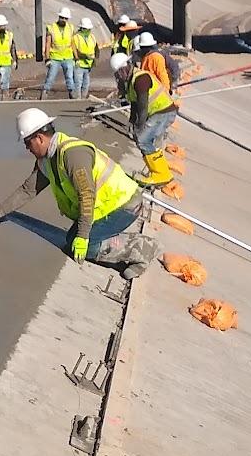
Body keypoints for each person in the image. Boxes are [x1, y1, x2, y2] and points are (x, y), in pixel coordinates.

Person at [15, 106, 157, 276]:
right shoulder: (47, 160)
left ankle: (141, 247)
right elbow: (28, 190)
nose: (26, 148)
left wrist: (83, 236)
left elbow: (86, 196)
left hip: (124, 205)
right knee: (72, 241)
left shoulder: (72, 155)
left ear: (39, 138)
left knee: (84, 246)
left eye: (27, 142)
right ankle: (109, 238)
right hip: (105, 207)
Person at [129, 43, 177, 188]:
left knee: (144, 140)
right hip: (160, 108)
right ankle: (159, 172)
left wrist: (139, 124)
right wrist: (133, 121)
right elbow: (135, 104)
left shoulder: (150, 64)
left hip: (162, 109)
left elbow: (142, 106)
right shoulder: (135, 75)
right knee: (148, 140)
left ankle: (161, 174)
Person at [40, 6, 74, 99]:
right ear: (59, 17)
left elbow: (72, 43)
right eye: (62, 17)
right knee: (50, 77)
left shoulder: (70, 28)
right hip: (55, 57)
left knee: (70, 78)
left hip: (68, 56)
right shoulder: (51, 28)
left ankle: (72, 94)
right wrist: (47, 58)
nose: (63, 20)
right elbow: (48, 43)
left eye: (65, 18)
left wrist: (76, 56)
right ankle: (45, 92)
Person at [71, 16, 97, 99]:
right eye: (86, 29)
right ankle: (78, 99)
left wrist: (95, 60)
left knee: (86, 84)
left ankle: (83, 98)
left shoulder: (92, 37)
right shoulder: (76, 37)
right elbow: (74, 50)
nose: (88, 31)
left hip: (88, 65)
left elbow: (96, 49)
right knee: (78, 83)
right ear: (82, 28)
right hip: (79, 64)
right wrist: (84, 56)